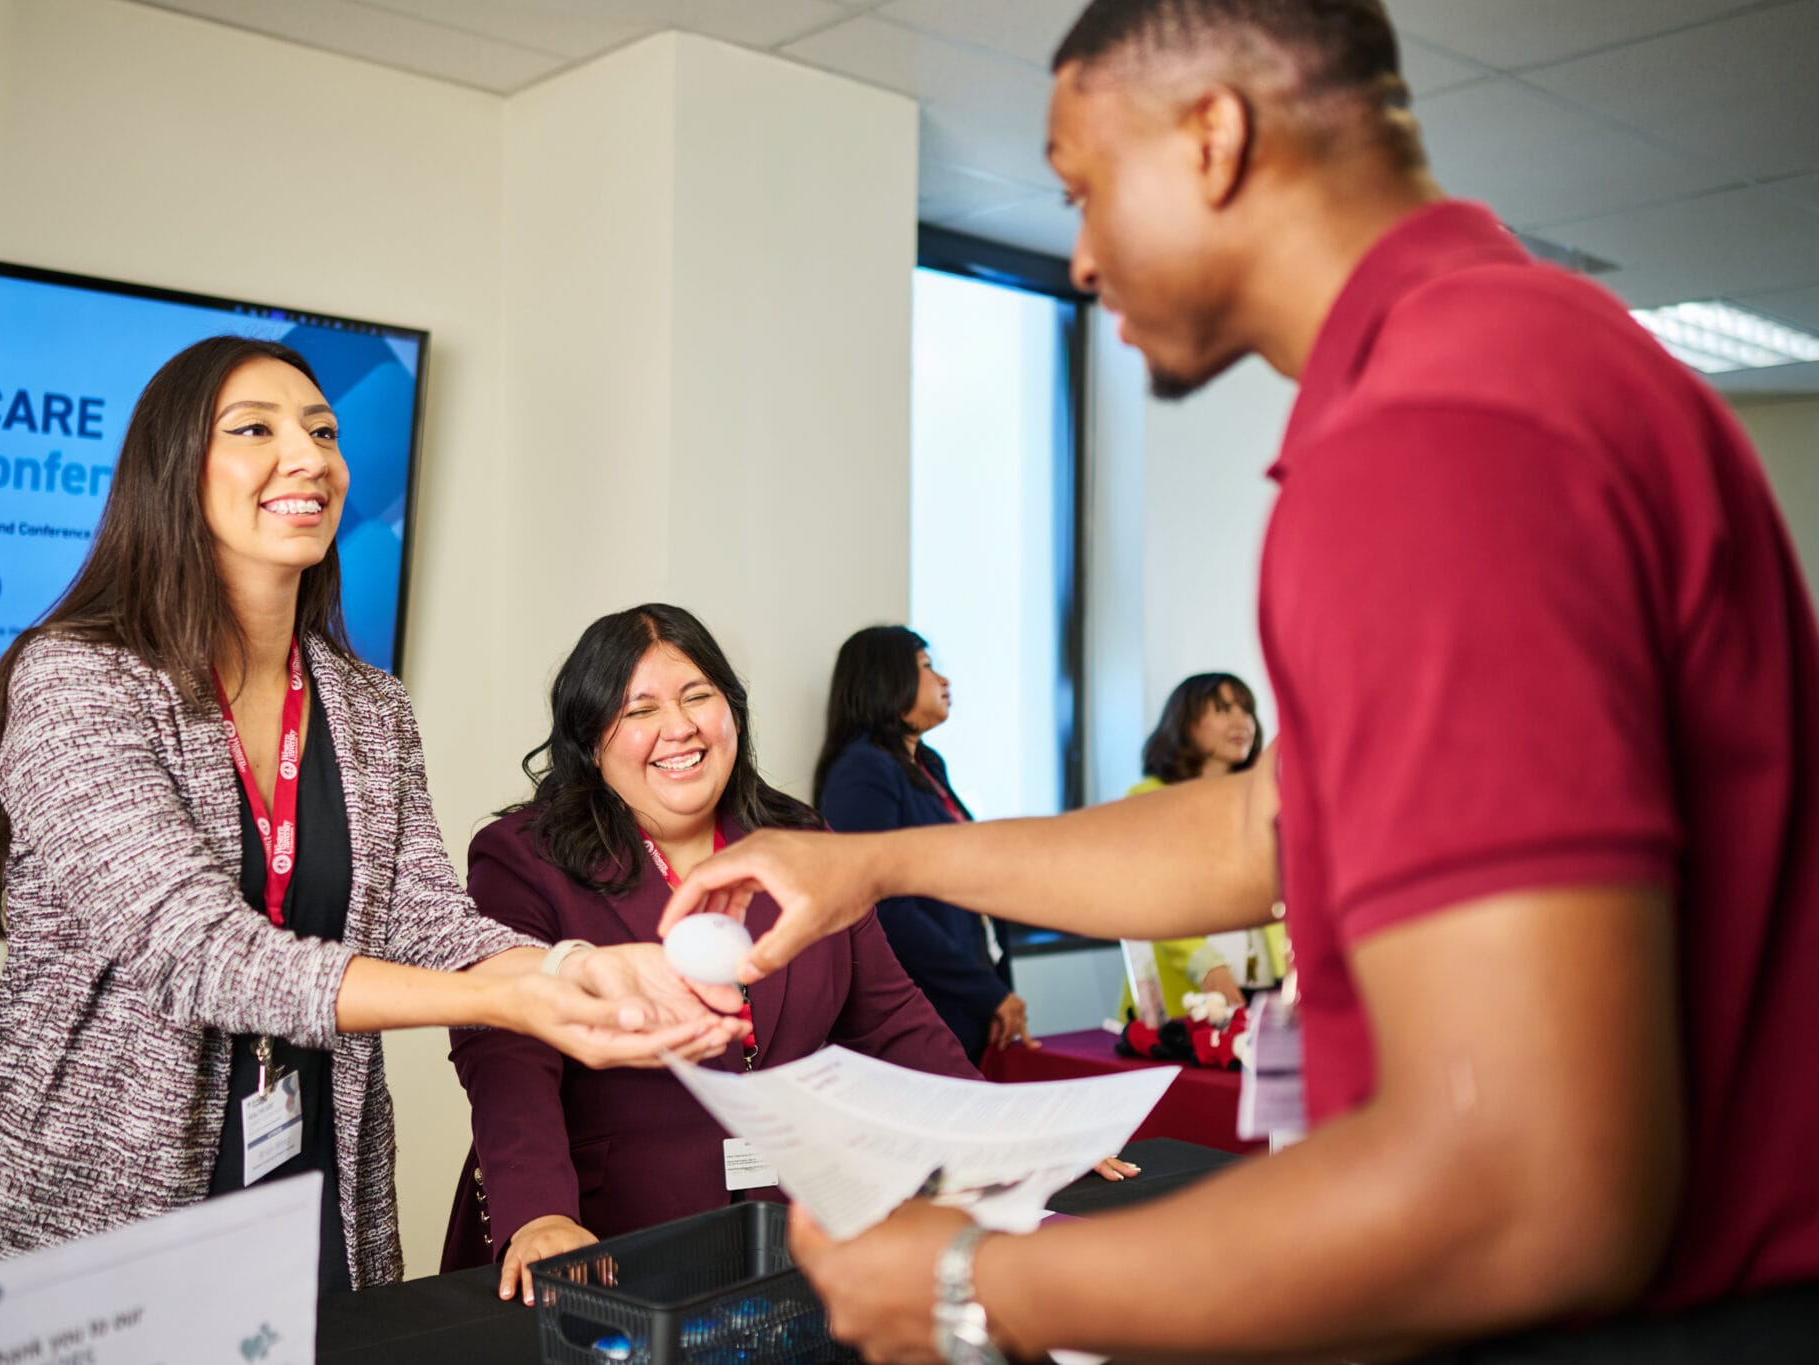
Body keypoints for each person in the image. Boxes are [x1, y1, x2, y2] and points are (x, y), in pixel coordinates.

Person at [660, 1, 1819, 1359]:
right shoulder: (1534, 356)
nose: (1083, 257)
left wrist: (979, 1291)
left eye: (1087, 191)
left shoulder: (1441, 431)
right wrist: (878, 867)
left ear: (1214, 137)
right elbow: (1254, 827)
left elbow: (1527, 1188)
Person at [0, 338, 741, 1365]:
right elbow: (197, 952)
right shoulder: (75, 681)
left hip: (301, 1196)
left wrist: (570, 968)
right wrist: (506, 1000)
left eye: (323, 431)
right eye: (256, 430)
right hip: (91, 1212)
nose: (309, 458)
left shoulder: (367, 706)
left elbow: (426, 918)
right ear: (173, 471)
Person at [440, 604, 989, 1304]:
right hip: (608, 1241)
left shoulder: (801, 836)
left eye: (699, 695)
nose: (680, 727)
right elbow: (506, 1049)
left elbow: (888, 1012)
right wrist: (541, 1212)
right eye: (639, 708)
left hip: (787, 1231)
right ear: (591, 737)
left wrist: (1003, 1134)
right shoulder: (524, 856)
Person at [813, 626, 1033, 1063]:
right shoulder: (864, 769)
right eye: (928, 668)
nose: (944, 681)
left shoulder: (927, 764)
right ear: (885, 679)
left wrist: (993, 989)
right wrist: (985, 992)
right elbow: (883, 906)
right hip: (919, 1006)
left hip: (961, 1001)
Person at [1126, 673, 1287, 1014]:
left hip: (1266, 986)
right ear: (1185, 723)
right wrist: (1207, 965)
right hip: (1184, 996)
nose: (1242, 721)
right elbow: (1152, 900)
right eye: (1223, 709)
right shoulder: (1148, 799)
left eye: (1247, 710)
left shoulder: (1261, 797)